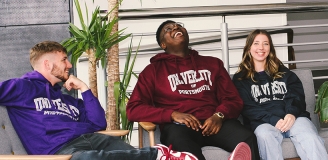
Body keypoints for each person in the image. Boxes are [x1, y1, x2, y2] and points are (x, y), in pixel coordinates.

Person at [0, 41, 212, 160]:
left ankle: (163, 156)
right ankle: (159, 155)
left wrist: (84, 88)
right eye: (64, 59)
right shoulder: (23, 87)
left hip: (92, 139)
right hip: (61, 153)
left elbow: (98, 123)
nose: (69, 65)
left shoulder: (65, 98)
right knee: (90, 159)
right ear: (47, 64)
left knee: (109, 149)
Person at [126, 20, 260, 160]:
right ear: (163, 45)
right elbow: (134, 109)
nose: (176, 27)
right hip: (179, 128)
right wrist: (172, 114)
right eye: (168, 29)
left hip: (214, 123)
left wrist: (219, 116)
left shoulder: (213, 64)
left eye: (178, 25)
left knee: (247, 138)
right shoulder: (152, 71)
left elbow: (233, 99)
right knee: (185, 149)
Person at [232, 29, 328, 160]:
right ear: (249, 47)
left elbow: (297, 97)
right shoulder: (241, 79)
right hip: (264, 123)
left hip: (294, 119)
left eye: (265, 43)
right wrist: (273, 119)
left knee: (310, 138)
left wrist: (291, 114)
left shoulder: (285, 74)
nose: (261, 47)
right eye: (256, 43)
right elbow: (247, 107)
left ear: (270, 48)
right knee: (264, 136)